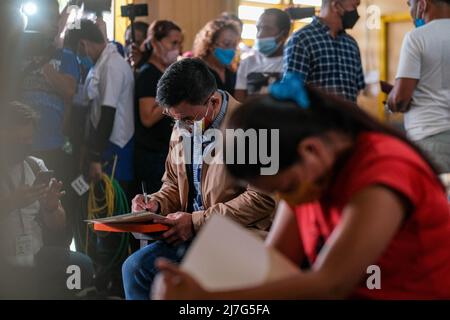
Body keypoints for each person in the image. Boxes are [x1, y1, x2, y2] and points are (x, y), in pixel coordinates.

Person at [151, 74, 450, 300]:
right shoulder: (305, 176)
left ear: (310, 151)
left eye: (287, 187)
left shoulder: (383, 170)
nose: (288, 200)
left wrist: (207, 299)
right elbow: (274, 265)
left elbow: (331, 283)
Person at [122, 58, 276, 300]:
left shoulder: (255, 128)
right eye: (174, 119)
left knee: (196, 278)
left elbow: (263, 199)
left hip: (238, 236)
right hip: (191, 232)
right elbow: (173, 183)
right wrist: (156, 203)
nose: (180, 125)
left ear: (213, 101)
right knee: (135, 268)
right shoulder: (185, 123)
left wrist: (196, 222)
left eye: (185, 119)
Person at [0, 101, 94, 299]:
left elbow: (58, 226)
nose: (25, 145)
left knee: (79, 266)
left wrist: (51, 208)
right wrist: (11, 203)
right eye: (19, 140)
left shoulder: (36, 166)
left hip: (35, 255)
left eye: (29, 139)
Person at [18, 0, 79, 182]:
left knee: (53, 200)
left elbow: (69, 91)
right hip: (20, 144)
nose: (54, 24)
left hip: (53, 144)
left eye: (56, 18)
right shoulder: (16, 53)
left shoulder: (66, 56)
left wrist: (44, 61)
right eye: (49, 18)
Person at [70, 19, 135, 190]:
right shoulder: (100, 63)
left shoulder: (112, 65)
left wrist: (96, 157)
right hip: (103, 144)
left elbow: (107, 113)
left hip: (115, 146)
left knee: (112, 206)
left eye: (78, 51)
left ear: (83, 43)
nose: (79, 57)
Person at [387, 0, 450, 173]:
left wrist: (391, 98)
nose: (410, 10)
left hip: (430, 138)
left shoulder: (417, 37)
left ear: (422, 4)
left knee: (435, 199)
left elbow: (400, 99)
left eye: (410, 4)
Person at [135, 20, 183, 195]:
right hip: (150, 154)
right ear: (155, 43)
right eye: (173, 43)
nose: (177, 48)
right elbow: (147, 118)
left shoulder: (165, 73)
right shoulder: (148, 74)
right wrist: (174, 97)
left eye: (179, 43)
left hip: (164, 151)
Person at [284, 0, 365, 102]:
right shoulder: (302, 40)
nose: (356, 13)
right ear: (336, 6)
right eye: (354, 7)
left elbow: (357, 89)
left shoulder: (351, 44)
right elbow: (292, 93)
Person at [235, 8, 291, 102]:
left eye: (267, 29)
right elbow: (239, 101)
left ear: (284, 34)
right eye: (258, 28)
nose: (259, 35)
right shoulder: (248, 61)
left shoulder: (292, 62)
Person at [193, 19, 241, 95]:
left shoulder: (232, 72)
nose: (231, 49)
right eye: (227, 44)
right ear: (210, 44)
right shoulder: (196, 71)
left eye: (234, 45)